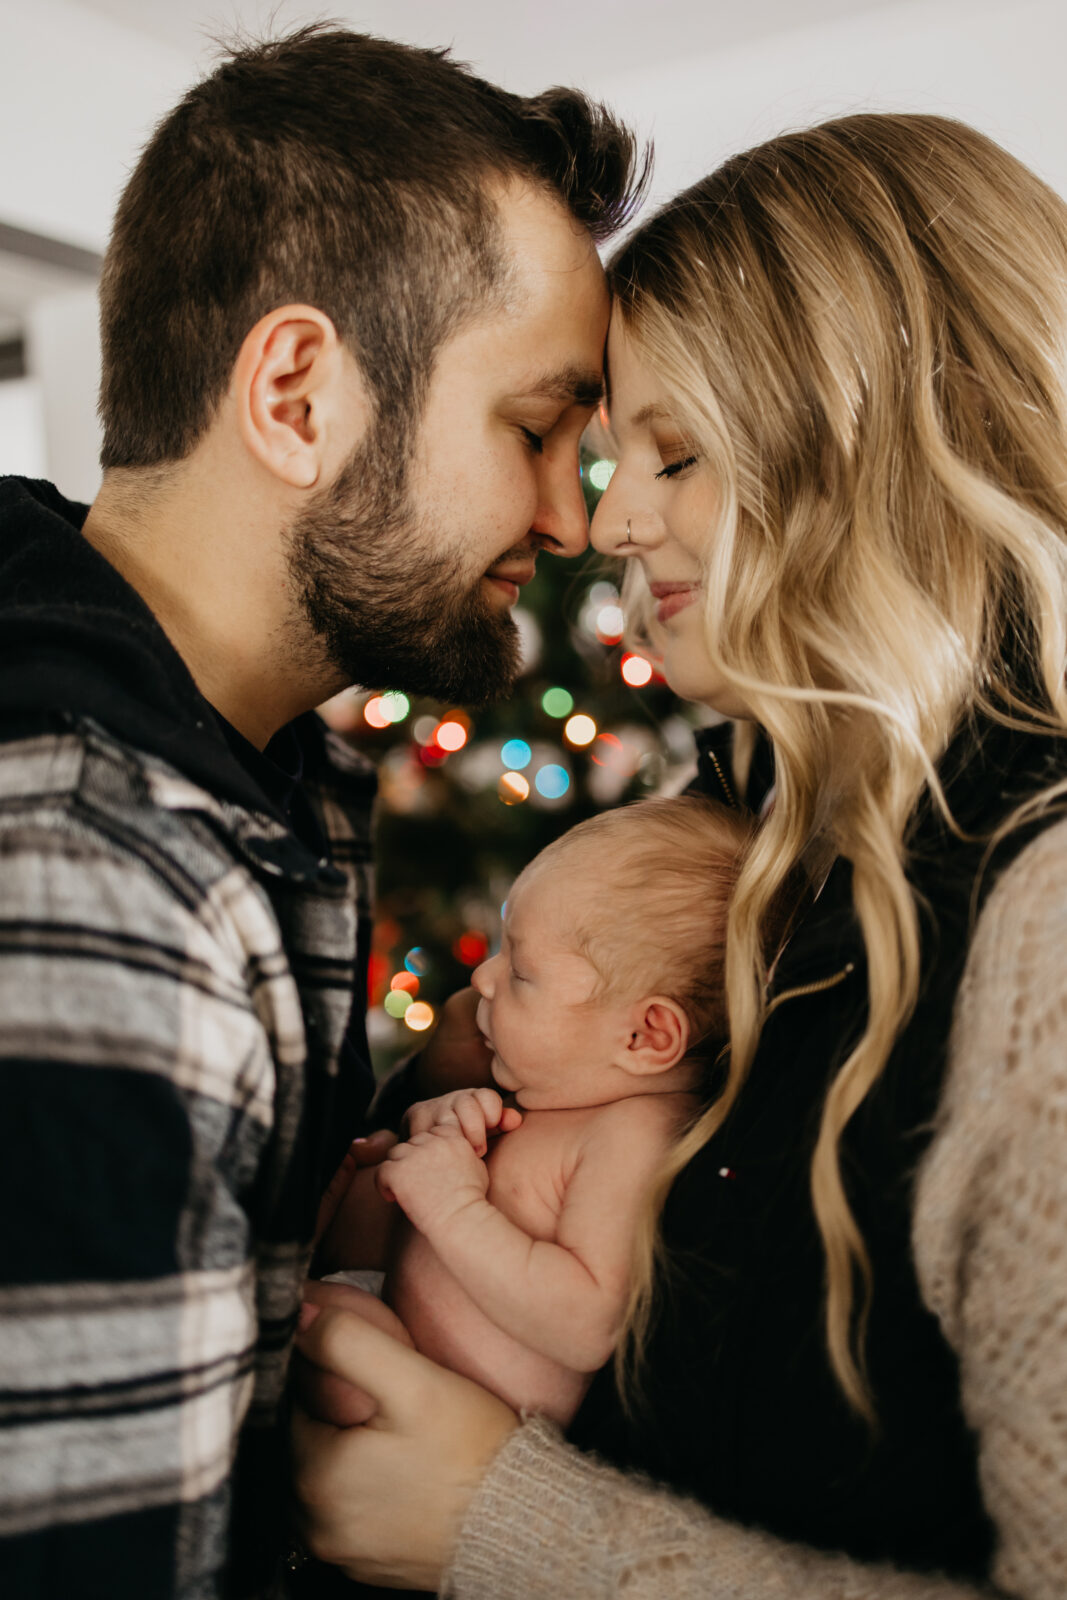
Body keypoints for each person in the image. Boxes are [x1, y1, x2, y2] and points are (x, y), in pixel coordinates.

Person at [292, 112, 1067, 1599]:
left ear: (892, 436)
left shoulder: (1037, 912)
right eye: (600, 452)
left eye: (675, 453)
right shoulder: (771, 843)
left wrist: (491, 1524)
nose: (599, 519)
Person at [0, 24, 648, 1597]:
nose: (576, 520)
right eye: (531, 430)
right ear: (294, 391)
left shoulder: (270, 784)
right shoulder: (99, 866)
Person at [298, 795, 752, 1430]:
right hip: (392, 1317)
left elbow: (586, 1325)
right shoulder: (558, 1092)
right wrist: (447, 1126)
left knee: (302, 1327)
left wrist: (451, 1205)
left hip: (438, 1411)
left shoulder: (635, 1136)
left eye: (523, 972)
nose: (483, 976)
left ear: (645, 1036)